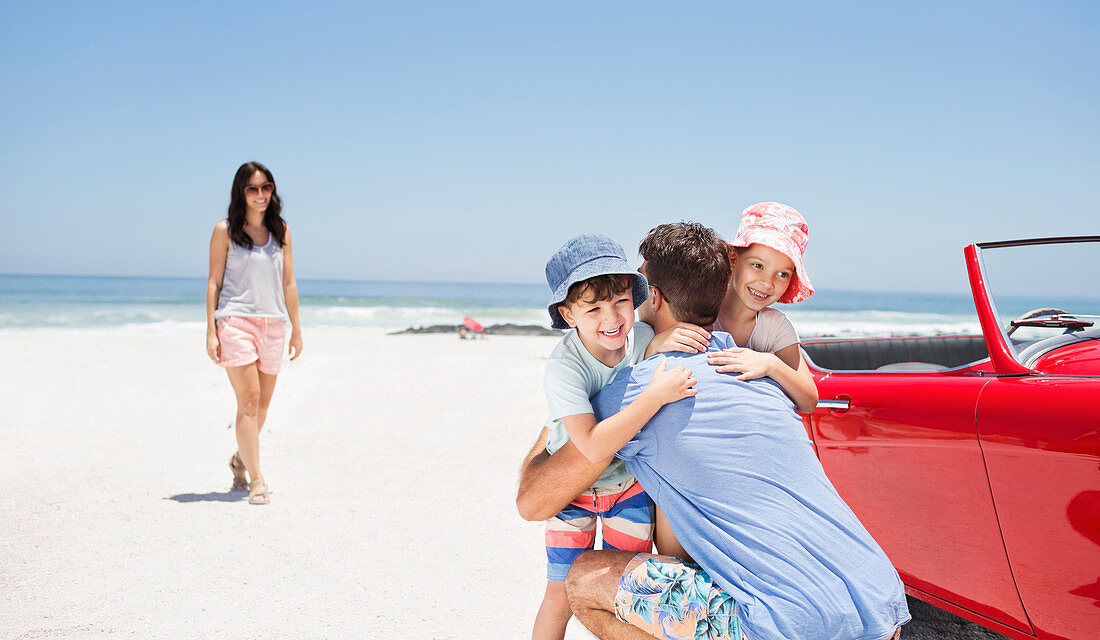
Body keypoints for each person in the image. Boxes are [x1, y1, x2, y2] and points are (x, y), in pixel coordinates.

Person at [517, 222, 910, 640]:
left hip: (787, 627)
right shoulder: (762, 376)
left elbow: (533, 503)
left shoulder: (641, 392)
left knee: (583, 578)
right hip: (881, 608)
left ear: (655, 297)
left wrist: (558, 422)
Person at [532, 234, 697, 640]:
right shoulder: (564, 368)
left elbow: (651, 343)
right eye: (593, 308)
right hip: (574, 494)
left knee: (626, 591)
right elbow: (589, 444)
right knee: (560, 594)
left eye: (621, 301)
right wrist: (655, 397)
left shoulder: (641, 339)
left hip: (629, 488)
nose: (612, 318)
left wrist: (664, 340)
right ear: (568, 315)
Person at [648, 202, 817, 414]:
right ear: (733, 259)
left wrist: (771, 364)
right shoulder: (699, 305)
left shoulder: (776, 326)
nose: (767, 283)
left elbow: (809, 401)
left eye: (782, 274)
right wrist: (654, 345)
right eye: (758, 266)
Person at [205, 161, 303, 506]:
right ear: (241, 192)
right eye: (252, 188)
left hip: (274, 325)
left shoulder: (282, 231)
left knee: (261, 408)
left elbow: (288, 282)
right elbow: (214, 281)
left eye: (266, 187)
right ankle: (257, 479)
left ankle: (239, 459)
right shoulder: (225, 230)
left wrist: (296, 329)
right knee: (247, 401)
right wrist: (211, 331)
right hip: (235, 322)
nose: (260, 195)